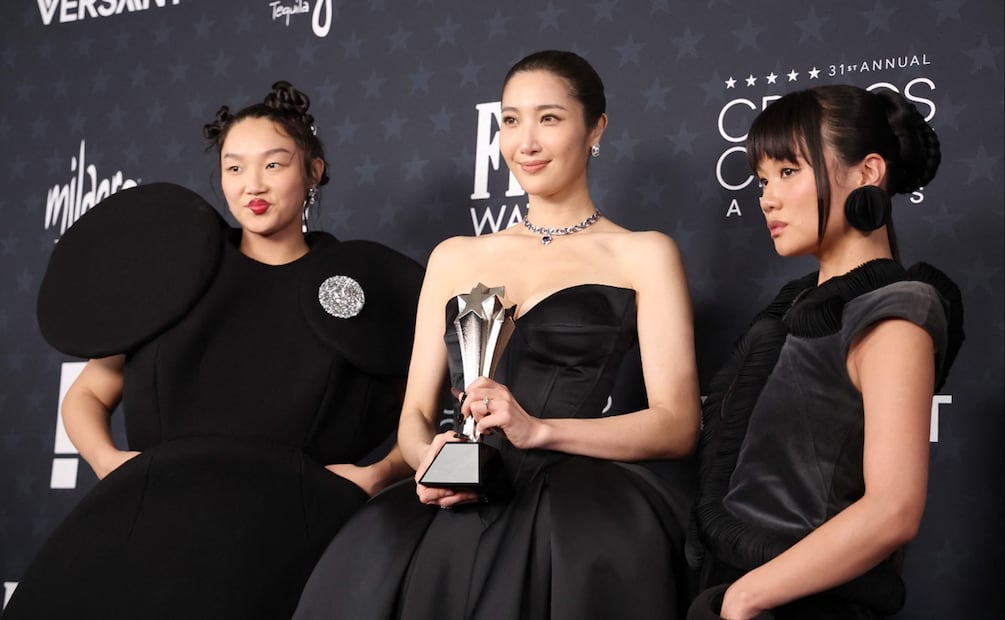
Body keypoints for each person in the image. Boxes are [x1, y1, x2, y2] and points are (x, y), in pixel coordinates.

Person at [292, 49, 701, 620]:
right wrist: (430, 458)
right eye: (510, 120)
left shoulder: (642, 255)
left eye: (549, 118)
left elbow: (677, 425)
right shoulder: (456, 256)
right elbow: (413, 417)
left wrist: (539, 430)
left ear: (596, 128)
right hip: (454, 501)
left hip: (573, 505)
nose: (525, 142)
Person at [4, 82, 423, 619]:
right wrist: (110, 463)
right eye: (234, 167)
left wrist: (376, 475)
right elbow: (88, 394)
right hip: (149, 533)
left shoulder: (361, 286)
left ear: (313, 171)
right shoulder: (177, 270)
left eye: (274, 165)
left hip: (294, 547)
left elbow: (422, 412)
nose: (253, 185)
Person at [686, 85, 964, 620]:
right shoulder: (787, 311)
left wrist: (747, 597)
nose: (767, 197)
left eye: (789, 172)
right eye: (763, 180)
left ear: (868, 172)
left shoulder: (895, 312)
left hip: (798, 606)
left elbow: (893, 510)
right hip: (727, 590)